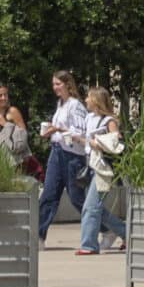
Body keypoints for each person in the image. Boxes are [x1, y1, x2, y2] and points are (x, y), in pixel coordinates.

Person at [38, 70, 92, 243]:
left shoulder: (75, 105)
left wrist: (58, 129)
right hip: (56, 151)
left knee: (77, 198)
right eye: (53, 84)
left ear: (68, 84)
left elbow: (80, 132)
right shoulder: (60, 104)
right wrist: (50, 133)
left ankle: (108, 228)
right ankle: (38, 236)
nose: (55, 88)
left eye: (58, 84)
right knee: (48, 194)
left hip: (71, 155)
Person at [76, 86, 127, 254]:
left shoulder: (109, 121)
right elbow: (90, 143)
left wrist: (94, 143)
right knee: (96, 207)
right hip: (91, 164)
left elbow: (116, 143)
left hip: (104, 169)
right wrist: (79, 139)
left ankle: (88, 245)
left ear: (97, 100)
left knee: (90, 207)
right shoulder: (90, 118)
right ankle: (128, 234)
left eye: (89, 97)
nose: (86, 100)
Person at [0, 83, 35, 176]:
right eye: (0, 95)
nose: (4, 98)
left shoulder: (12, 111)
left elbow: (23, 134)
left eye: (5, 95)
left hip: (12, 160)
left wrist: (5, 124)